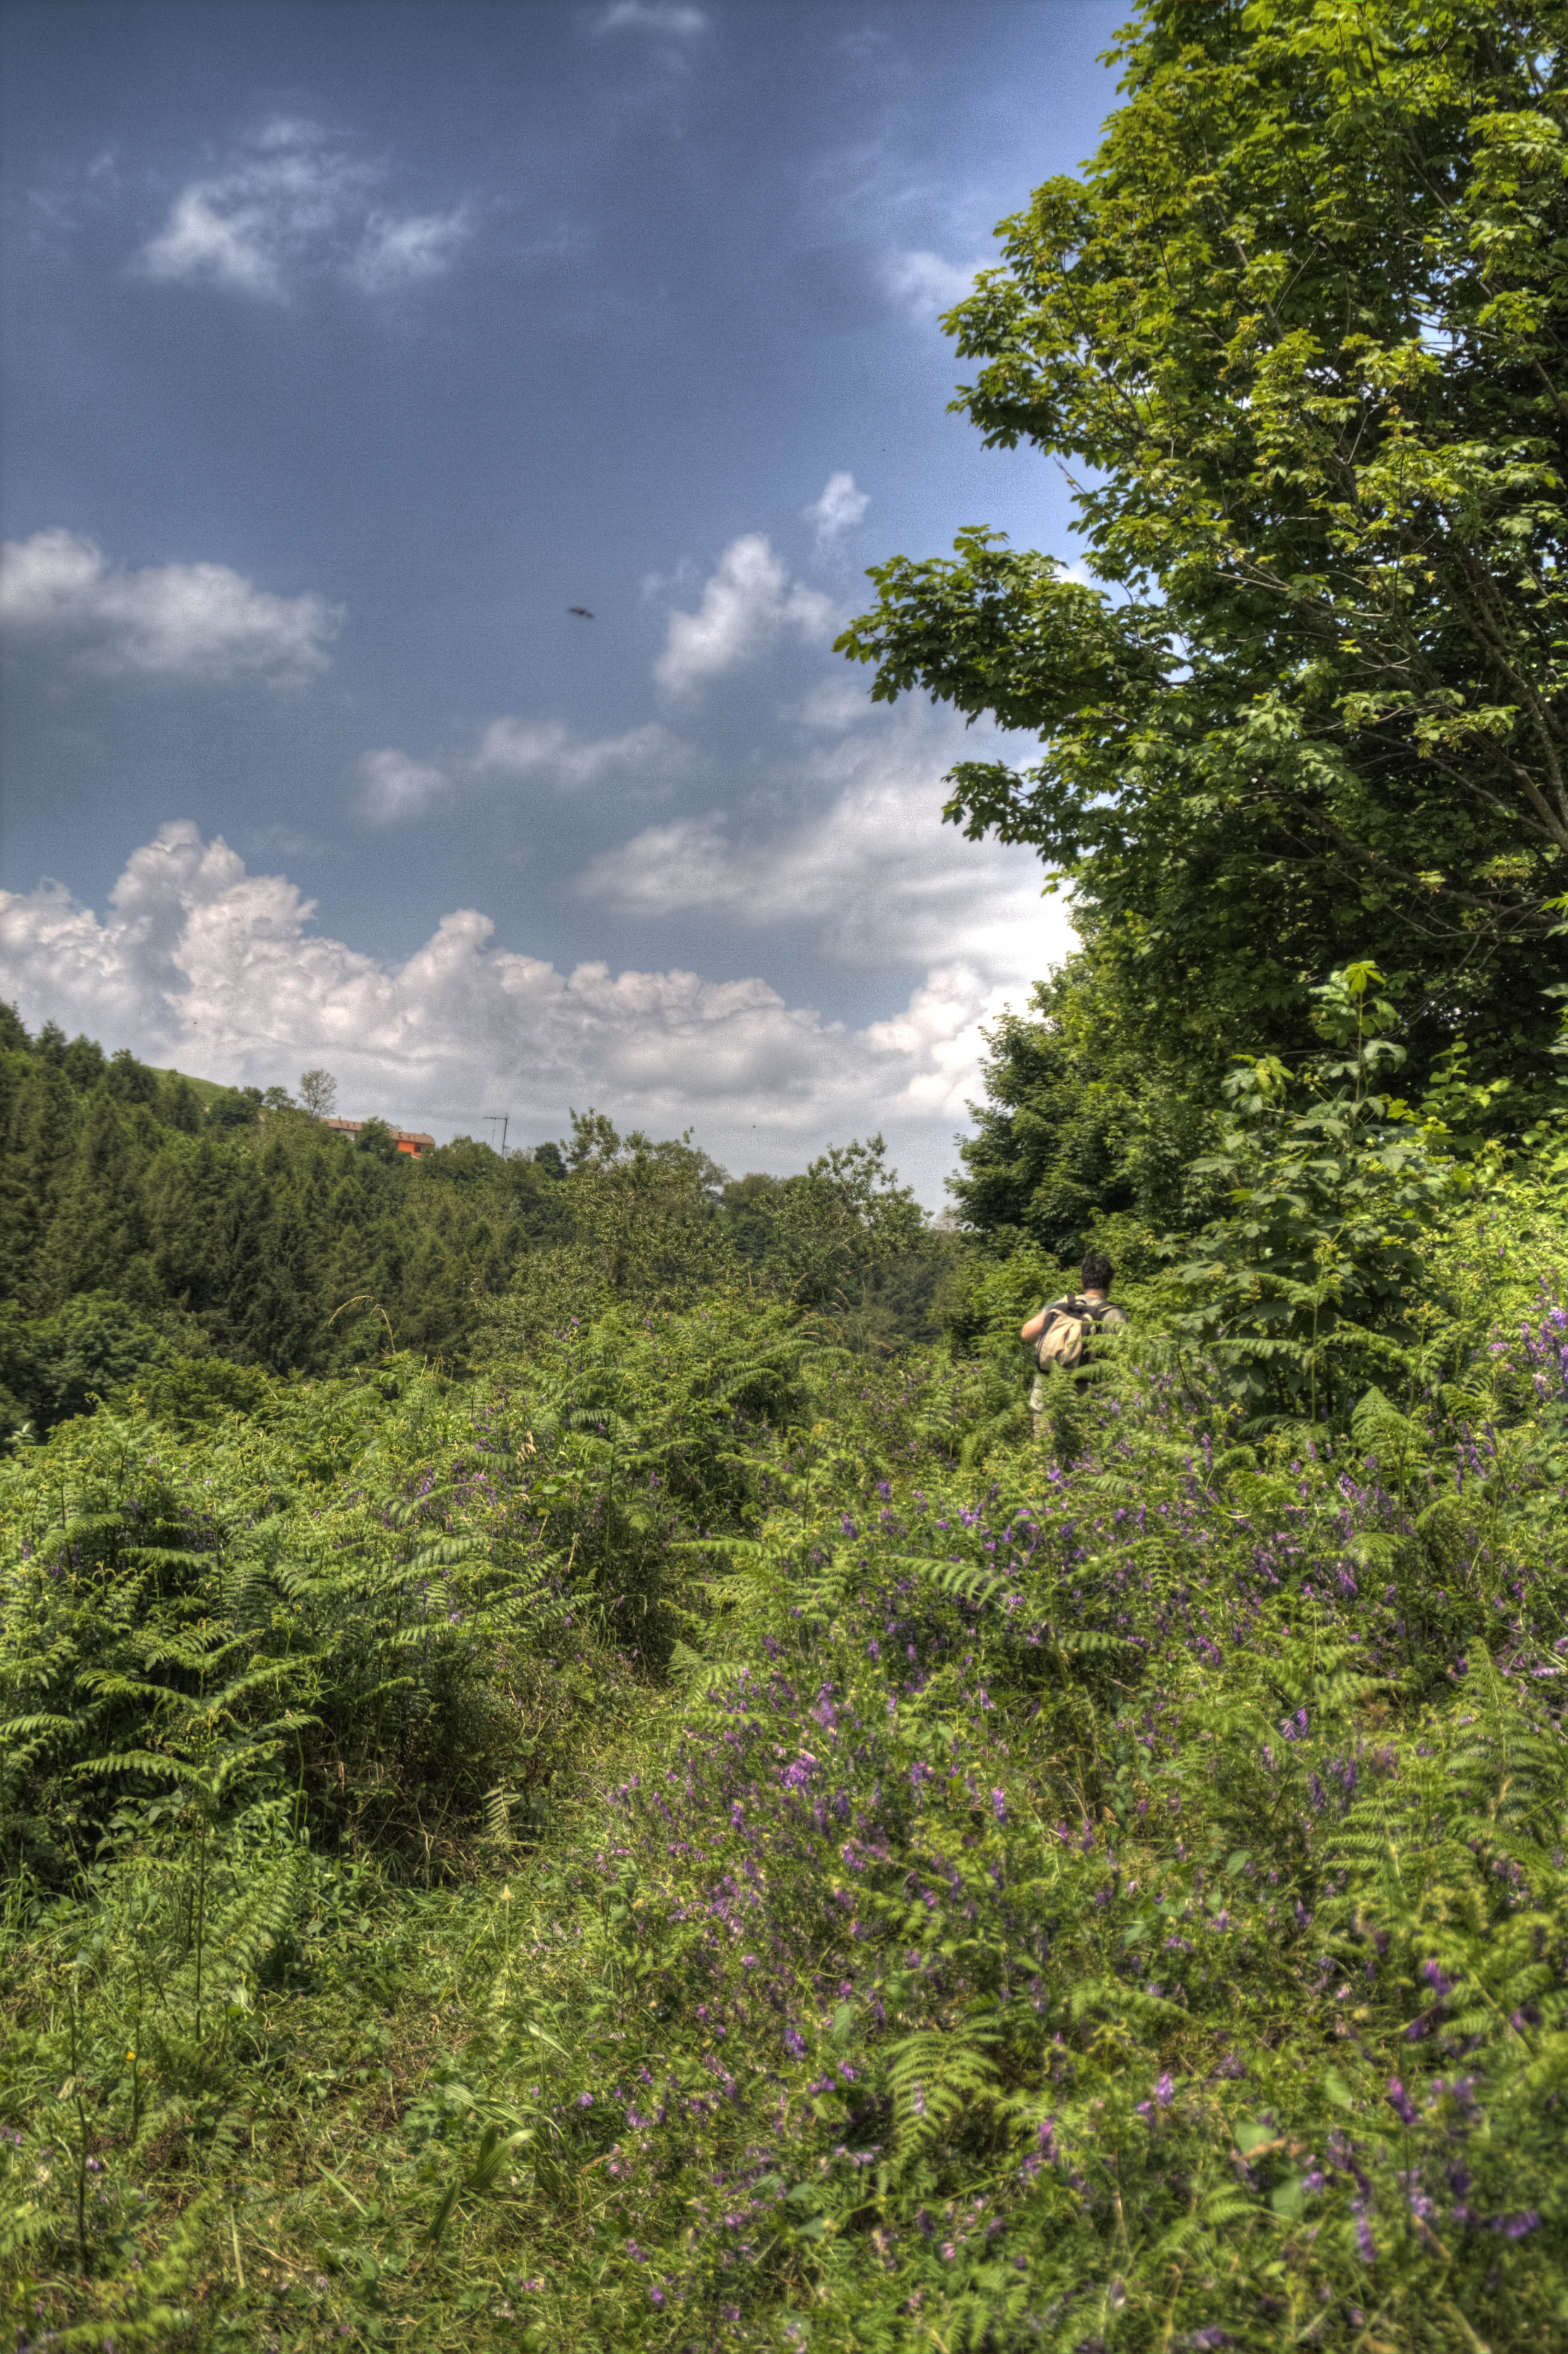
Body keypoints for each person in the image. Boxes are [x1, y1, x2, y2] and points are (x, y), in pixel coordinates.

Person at [1021, 1252, 1127, 1440]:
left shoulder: (1061, 1305)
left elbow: (1026, 1333)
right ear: (1110, 1283)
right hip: (1085, 1405)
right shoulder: (1114, 1315)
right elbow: (1126, 1360)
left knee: (1045, 1461)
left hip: (1045, 1399)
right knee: (1086, 1464)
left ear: (1082, 1283)